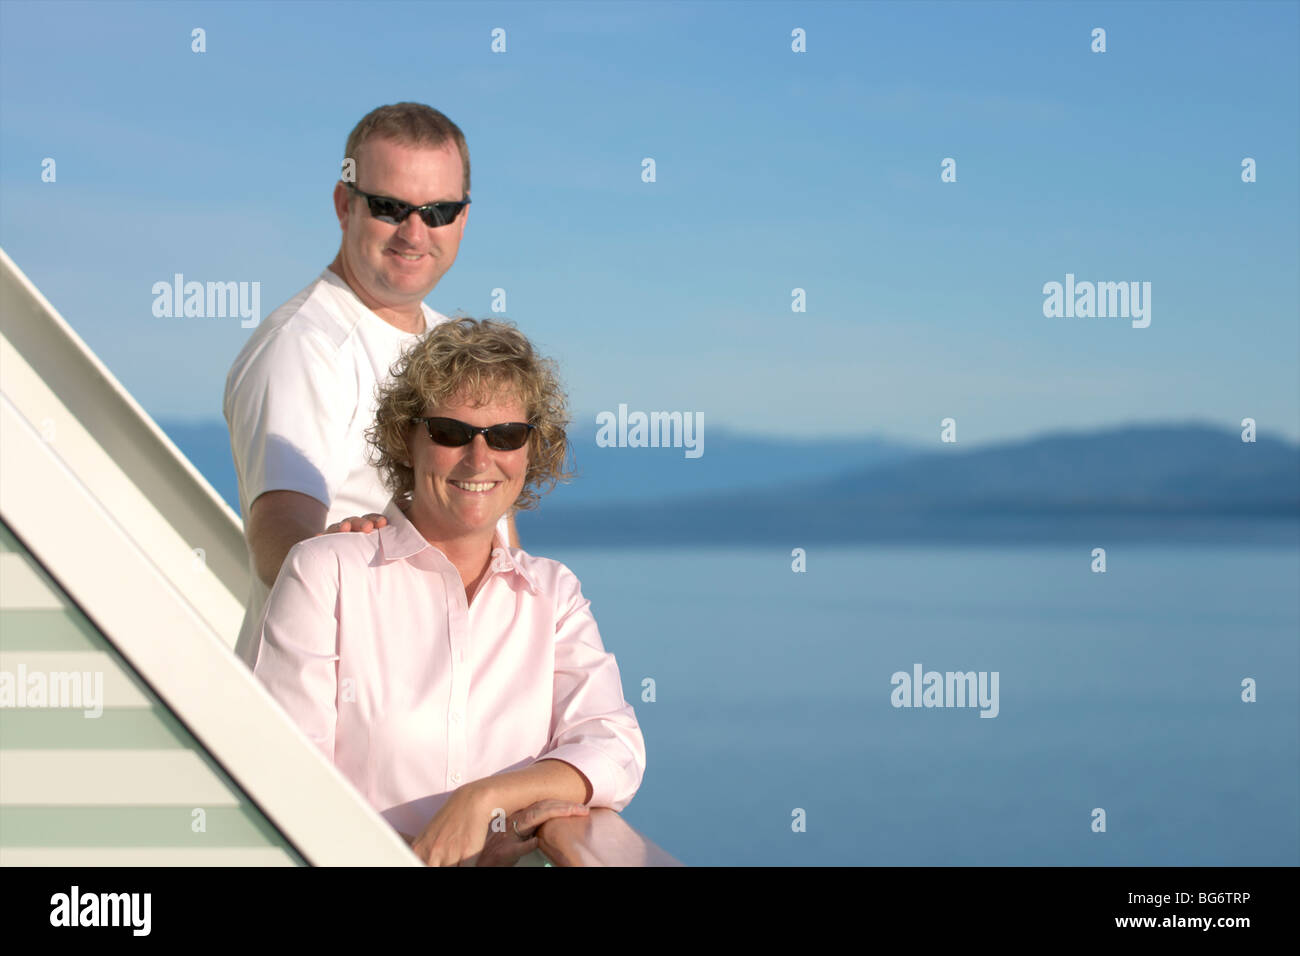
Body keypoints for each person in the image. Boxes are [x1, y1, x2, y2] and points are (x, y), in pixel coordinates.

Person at [252, 318, 646, 867]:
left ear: (532, 449)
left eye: (506, 435)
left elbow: (616, 745)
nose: (479, 459)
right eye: (451, 433)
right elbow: (286, 778)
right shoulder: (327, 575)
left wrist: (483, 800)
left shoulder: (552, 594)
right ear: (405, 439)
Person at [224, 103, 515, 669]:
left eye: (437, 211)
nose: (414, 232)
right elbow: (278, 535)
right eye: (389, 207)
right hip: (332, 710)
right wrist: (339, 558)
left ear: (463, 219)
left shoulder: (457, 346)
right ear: (344, 205)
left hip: (446, 701)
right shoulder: (305, 345)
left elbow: (499, 534)